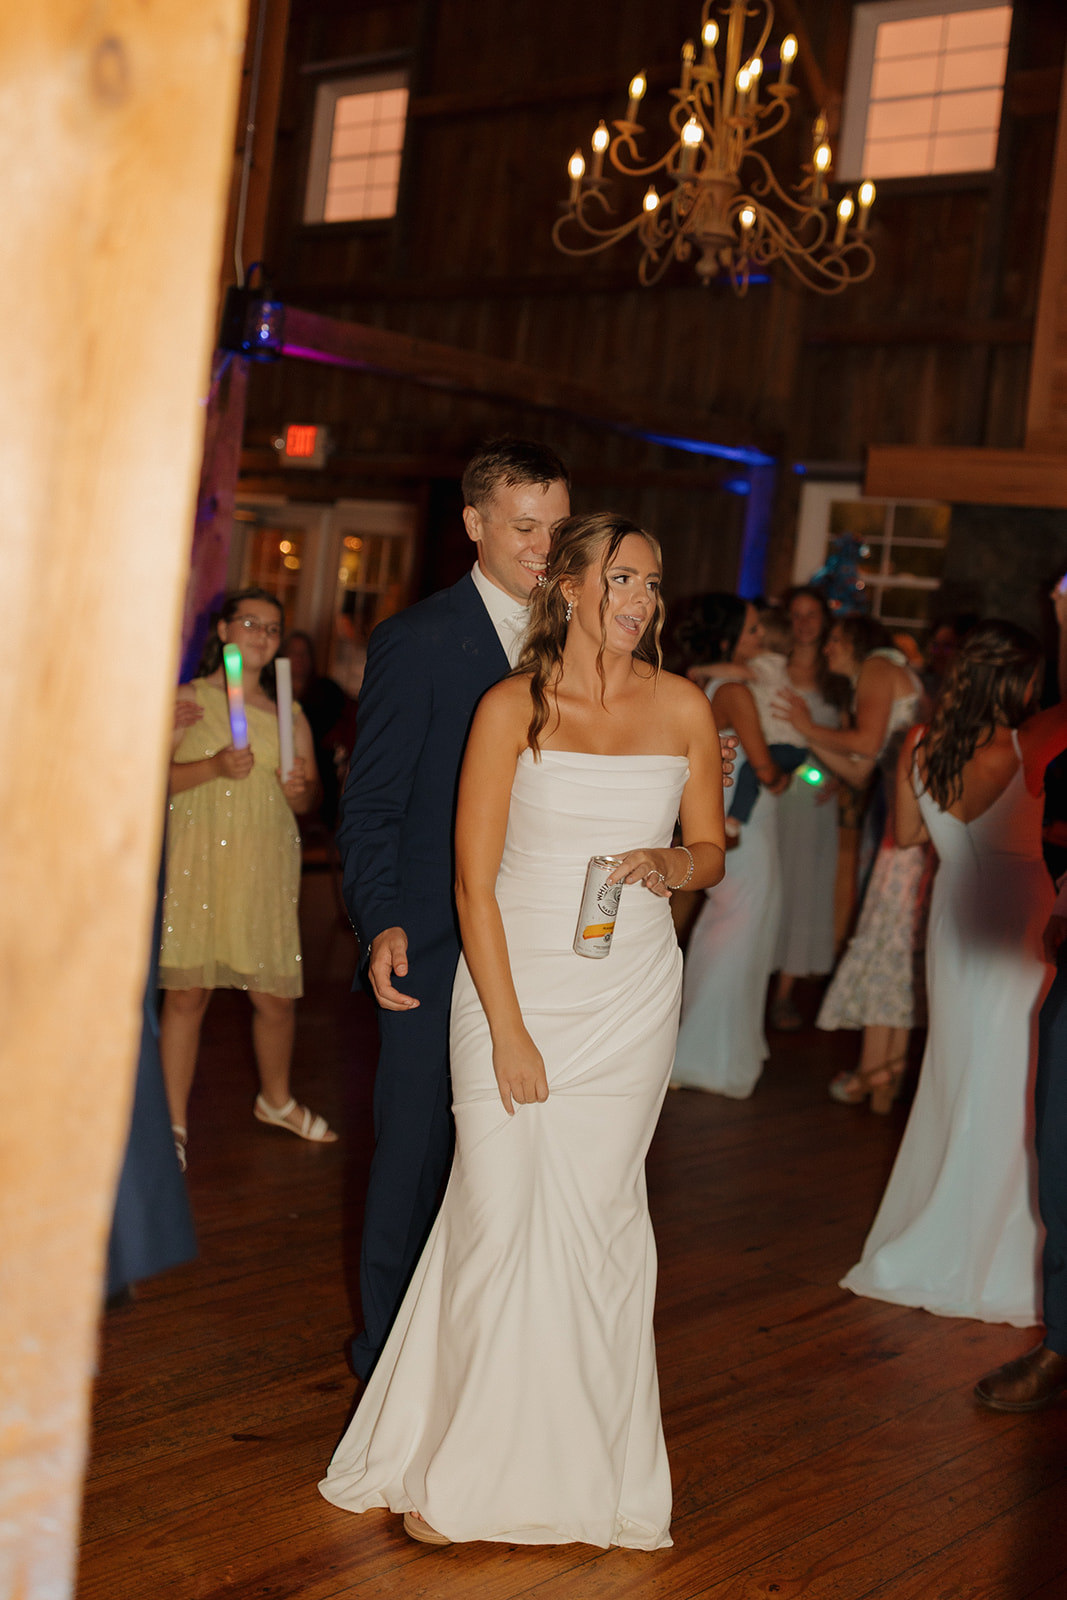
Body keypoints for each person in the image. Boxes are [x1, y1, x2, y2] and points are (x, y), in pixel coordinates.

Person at [320, 512, 726, 1547]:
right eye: (622, 578)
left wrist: (669, 866)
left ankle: (584, 1467)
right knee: (497, 1218)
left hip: (628, 993)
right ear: (572, 588)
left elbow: (710, 848)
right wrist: (504, 1029)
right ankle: (456, 1464)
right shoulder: (509, 707)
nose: (639, 600)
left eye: (651, 583)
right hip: (513, 987)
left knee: (594, 1224)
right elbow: (471, 883)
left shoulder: (683, 705)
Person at [336, 437, 572, 1383]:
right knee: (416, 1152)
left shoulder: (585, 637)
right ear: (474, 524)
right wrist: (380, 918)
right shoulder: (419, 639)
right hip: (434, 940)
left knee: (521, 1155)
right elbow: (374, 804)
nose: (545, 549)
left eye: (558, 528)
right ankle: (386, 1360)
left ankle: (493, 1355)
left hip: (547, 944)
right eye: (524, 528)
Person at [842, 618, 1067, 1325]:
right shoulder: (1028, 743)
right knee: (1014, 1083)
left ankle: (935, 1239)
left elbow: (906, 836)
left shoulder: (920, 743)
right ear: (1018, 679)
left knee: (956, 1068)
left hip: (950, 919)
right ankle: (998, 1259)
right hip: (1017, 921)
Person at [159, 588, 334, 1164]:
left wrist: (300, 789)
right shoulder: (188, 699)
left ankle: (276, 1099)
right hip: (199, 862)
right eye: (250, 622)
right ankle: (173, 1126)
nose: (261, 634)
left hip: (261, 864)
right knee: (187, 994)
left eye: (272, 628)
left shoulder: (291, 714)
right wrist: (210, 766)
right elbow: (150, 782)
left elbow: (305, 803)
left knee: (274, 998)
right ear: (224, 632)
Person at [780, 615, 928, 1111]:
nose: (826, 651)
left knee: (887, 945)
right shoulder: (878, 675)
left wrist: (806, 726)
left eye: (834, 641)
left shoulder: (877, 670)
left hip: (909, 834)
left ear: (856, 643)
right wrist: (808, 739)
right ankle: (881, 1076)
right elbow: (861, 773)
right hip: (901, 826)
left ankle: (878, 1073)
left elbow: (864, 745)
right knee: (891, 949)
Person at [671, 594, 788, 1098]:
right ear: (728, 637)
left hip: (727, 825)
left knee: (726, 933)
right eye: (753, 631)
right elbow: (764, 769)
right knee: (735, 938)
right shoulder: (734, 690)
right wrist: (785, 774)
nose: (761, 639)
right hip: (747, 830)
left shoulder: (704, 682)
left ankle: (714, 1047)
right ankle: (702, 1058)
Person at [769, 587, 846, 1031]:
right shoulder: (771, 667)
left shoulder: (838, 677)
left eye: (811, 614)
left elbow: (858, 742)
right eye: (795, 614)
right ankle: (750, 982)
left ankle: (785, 994)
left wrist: (838, 776)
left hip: (814, 802)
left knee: (805, 891)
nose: (803, 623)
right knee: (768, 884)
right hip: (773, 792)